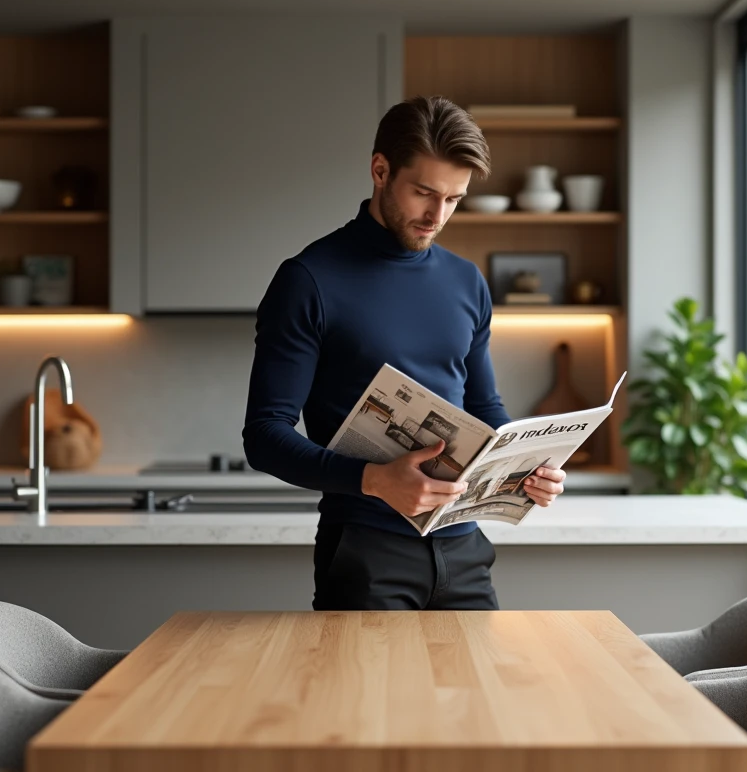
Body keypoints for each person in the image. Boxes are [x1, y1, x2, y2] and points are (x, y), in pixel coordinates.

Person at [242, 95, 567, 610]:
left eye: (454, 200)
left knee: (480, 693)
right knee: (369, 696)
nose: (437, 215)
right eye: (423, 193)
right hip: (367, 553)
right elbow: (264, 435)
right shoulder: (308, 281)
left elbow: (483, 409)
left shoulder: (467, 281)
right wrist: (374, 480)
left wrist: (525, 464)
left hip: (464, 549)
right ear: (380, 170)